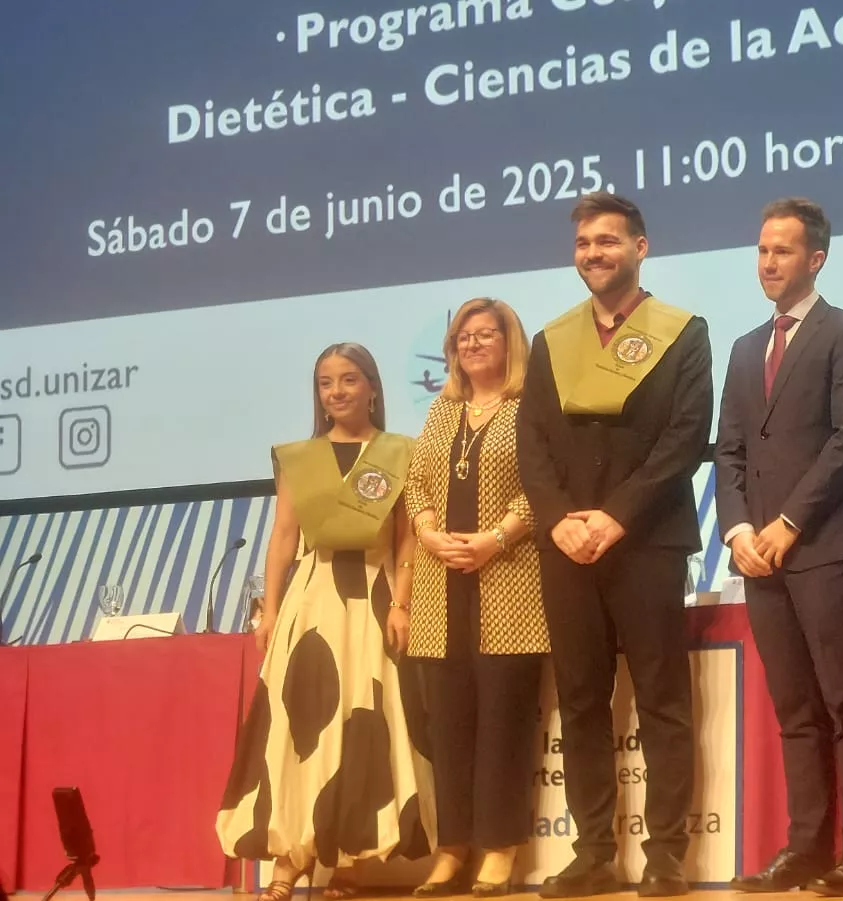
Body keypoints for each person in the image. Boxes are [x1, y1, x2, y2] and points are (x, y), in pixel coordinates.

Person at [516, 192, 713, 899]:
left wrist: (617, 515)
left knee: (663, 702)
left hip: (647, 540)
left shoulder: (683, 332)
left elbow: (685, 438)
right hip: (567, 547)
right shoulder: (552, 339)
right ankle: (594, 853)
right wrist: (559, 519)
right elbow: (531, 442)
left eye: (607, 241)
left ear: (640, 247)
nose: (593, 253)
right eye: (583, 244)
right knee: (580, 702)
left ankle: (666, 856)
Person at [713, 198, 843, 896]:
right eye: (762, 250)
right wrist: (738, 530)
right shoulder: (744, 347)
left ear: (816, 258)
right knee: (795, 709)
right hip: (759, 555)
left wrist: (788, 521)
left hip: (826, 545)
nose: (768, 262)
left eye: (781, 251)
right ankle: (805, 849)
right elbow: (729, 450)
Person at [218, 343, 432, 901]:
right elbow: (283, 537)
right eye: (325, 382)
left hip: (373, 600)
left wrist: (402, 602)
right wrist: (269, 608)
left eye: (349, 379)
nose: (337, 391)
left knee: (363, 723)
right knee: (299, 727)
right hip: (311, 602)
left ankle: (346, 862)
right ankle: (289, 862)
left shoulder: (400, 452)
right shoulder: (300, 458)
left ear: (373, 388)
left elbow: (406, 538)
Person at [405, 298, 548, 898]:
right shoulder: (442, 411)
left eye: (485, 334)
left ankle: (499, 848)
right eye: (463, 336)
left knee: (502, 728)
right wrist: (426, 530)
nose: (472, 344)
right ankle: (453, 847)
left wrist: (495, 539)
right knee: (449, 729)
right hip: (441, 591)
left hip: (508, 584)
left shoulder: (530, 408)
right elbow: (415, 483)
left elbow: (544, 486)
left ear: (509, 342)